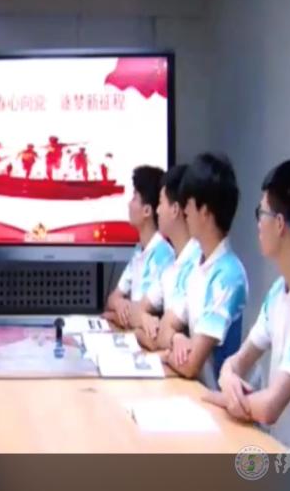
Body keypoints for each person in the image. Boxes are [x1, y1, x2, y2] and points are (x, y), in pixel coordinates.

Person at [205, 158, 290, 453]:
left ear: (280, 224)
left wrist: (224, 397)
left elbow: (270, 407)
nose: (258, 224)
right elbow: (237, 361)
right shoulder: (278, 293)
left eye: (262, 213)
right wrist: (229, 377)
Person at [156, 153, 249, 388]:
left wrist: (168, 355)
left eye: (188, 202)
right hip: (197, 392)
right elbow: (164, 330)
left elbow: (191, 364)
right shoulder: (198, 265)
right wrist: (177, 338)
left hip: (221, 398)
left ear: (205, 211)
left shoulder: (228, 275)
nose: (184, 211)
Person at [135, 164, 200, 350]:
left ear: (175, 210)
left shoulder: (197, 263)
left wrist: (144, 331)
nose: (157, 211)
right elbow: (136, 312)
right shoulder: (172, 264)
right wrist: (144, 320)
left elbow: (161, 337)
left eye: (161, 203)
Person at [106, 166, 173, 330]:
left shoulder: (164, 256)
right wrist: (120, 304)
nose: (129, 204)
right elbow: (112, 299)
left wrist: (115, 315)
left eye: (134, 197)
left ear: (147, 210)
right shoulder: (139, 251)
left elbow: (141, 317)